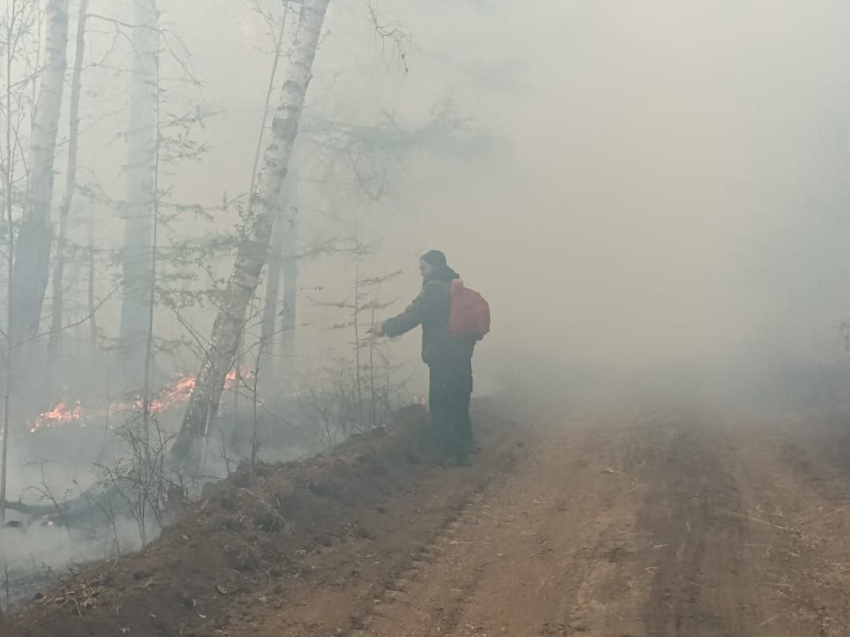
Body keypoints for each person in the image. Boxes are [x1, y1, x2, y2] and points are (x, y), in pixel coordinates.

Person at [370, 250, 477, 466]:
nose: (420, 273)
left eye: (423, 268)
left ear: (434, 267)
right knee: (459, 401)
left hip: (442, 355)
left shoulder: (433, 289)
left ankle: (447, 455)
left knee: (441, 403)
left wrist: (385, 327)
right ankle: (465, 449)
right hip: (462, 354)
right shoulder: (454, 286)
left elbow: (414, 315)